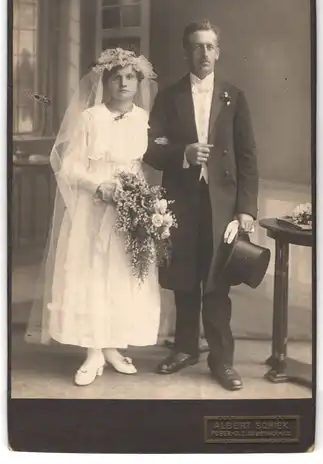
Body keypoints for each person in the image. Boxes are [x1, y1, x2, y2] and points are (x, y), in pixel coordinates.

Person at [25, 48, 161, 386]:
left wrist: (138, 200)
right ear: (105, 81)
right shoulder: (90, 118)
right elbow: (67, 164)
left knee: (123, 273)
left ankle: (113, 345)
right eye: (116, 77)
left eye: (130, 77)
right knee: (92, 272)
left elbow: (145, 163)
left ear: (138, 81)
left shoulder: (144, 119)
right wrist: (97, 186)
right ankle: (93, 351)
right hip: (93, 206)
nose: (123, 83)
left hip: (130, 208)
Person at [144, 20, 259, 391]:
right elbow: (151, 150)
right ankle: (185, 349)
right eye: (197, 47)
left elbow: (248, 157)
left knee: (216, 282)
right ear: (186, 52)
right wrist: (184, 153)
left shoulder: (234, 96)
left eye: (210, 47)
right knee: (183, 277)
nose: (204, 54)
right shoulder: (169, 96)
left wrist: (245, 209)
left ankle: (222, 361)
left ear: (218, 51)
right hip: (180, 200)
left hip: (222, 205)